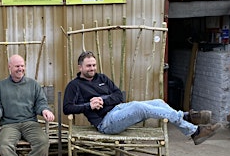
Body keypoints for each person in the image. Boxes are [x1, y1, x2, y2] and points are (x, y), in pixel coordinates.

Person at [63, 51, 221, 145]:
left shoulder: (102, 78)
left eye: (94, 65)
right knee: (139, 107)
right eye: (88, 66)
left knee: (158, 101)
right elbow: (67, 108)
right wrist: (88, 106)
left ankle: (194, 132)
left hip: (118, 110)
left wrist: (103, 100)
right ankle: (186, 117)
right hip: (106, 123)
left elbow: (118, 96)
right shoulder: (74, 85)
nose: (92, 69)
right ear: (80, 67)